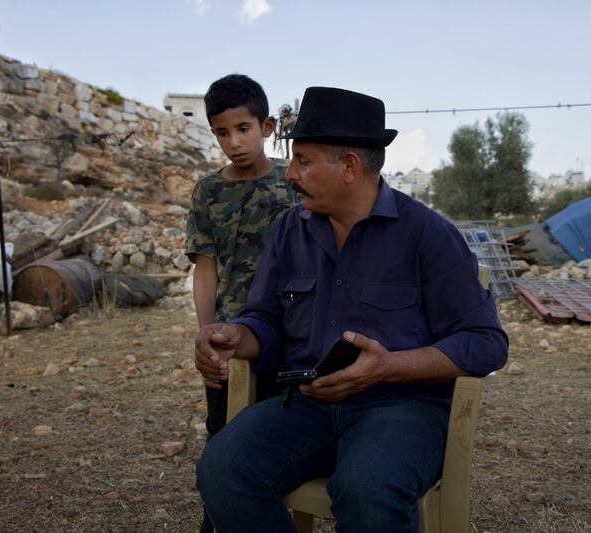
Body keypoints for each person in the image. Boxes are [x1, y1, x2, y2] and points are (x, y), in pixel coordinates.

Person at [194, 86, 509, 533]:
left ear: (348, 166)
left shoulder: (428, 235)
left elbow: (485, 343)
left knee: (366, 490)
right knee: (222, 468)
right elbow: (265, 318)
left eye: (303, 161)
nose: (290, 173)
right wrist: (235, 337)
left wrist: (388, 367)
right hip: (307, 406)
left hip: (402, 409)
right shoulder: (290, 230)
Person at [184, 73, 296, 533]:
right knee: (223, 436)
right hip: (231, 341)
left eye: (243, 129)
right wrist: (206, 332)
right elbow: (205, 266)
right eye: (222, 132)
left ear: (267, 127)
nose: (234, 142)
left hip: (289, 338)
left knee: (281, 438)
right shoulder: (208, 192)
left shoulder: (294, 183)